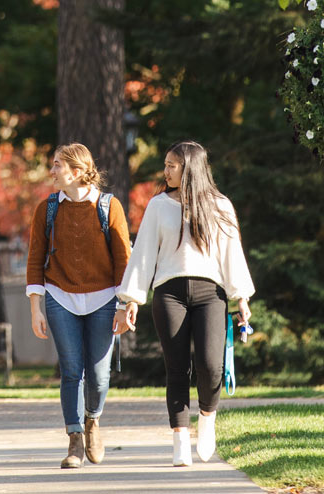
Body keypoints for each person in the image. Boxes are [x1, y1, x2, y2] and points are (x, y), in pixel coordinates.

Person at [115, 140, 254, 467]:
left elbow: (232, 255)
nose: (165, 171)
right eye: (165, 165)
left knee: (209, 365)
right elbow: (143, 255)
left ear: (190, 167)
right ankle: (179, 440)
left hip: (211, 295)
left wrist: (242, 298)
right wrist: (130, 300)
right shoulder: (158, 206)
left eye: (172, 165)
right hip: (169, 293)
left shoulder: (220, 205)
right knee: (177, 368)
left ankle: (206, 418)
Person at [26, 143, 131, 468]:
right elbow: (34, 258)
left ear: (77, 170)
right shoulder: (48, 209)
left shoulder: (108, 206)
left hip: (103, 299)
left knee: (98, 375)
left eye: (58, 165)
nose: (52, 171)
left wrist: (125, 304)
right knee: (71, 371)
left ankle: (93, 422)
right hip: (60, 297)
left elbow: (123, 260)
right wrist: (35, 305)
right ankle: (74, 439)